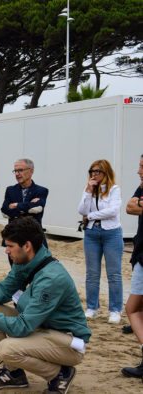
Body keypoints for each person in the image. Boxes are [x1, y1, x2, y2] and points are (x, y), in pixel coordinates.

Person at [0, 217, 90, 393]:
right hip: (42, 328)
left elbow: (21, 328)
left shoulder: (51, 278)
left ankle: (59, 373)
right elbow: (0, 293)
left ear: (27, 246)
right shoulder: (26, 262)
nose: (6, 251)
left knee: (7, 348)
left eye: (10, 246)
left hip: (69, 342)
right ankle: (15, 374)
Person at [77, 159, 123, 324]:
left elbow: (112, 211)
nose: (94, 174)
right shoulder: (89, 189)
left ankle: (115, 309)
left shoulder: (114, 190)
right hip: (91, 233)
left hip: (111, 233)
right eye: (91, 171)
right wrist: (89, 191)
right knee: (92, 273)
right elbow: (81, 209)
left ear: (106, 173)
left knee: (114, 274)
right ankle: (92, 308)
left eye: (97, 171)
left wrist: (90, 216)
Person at [1, 158, 49, 265]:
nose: (17, 174)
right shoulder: (10, 190)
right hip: (14, 239)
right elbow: (5, 210)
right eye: (15, 171)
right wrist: (26, 209)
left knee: (37, 273)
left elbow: (38, 208)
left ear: (31, 171)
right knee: (16, 274)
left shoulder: (41, 191)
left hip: (33, 239)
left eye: (20, 170)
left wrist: (17, 205)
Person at [122, 155, 143, 381]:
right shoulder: (140, 187)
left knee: (133, 308)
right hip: (140, 255)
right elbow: (129, 207)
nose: (138, 171)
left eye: (142, 167)